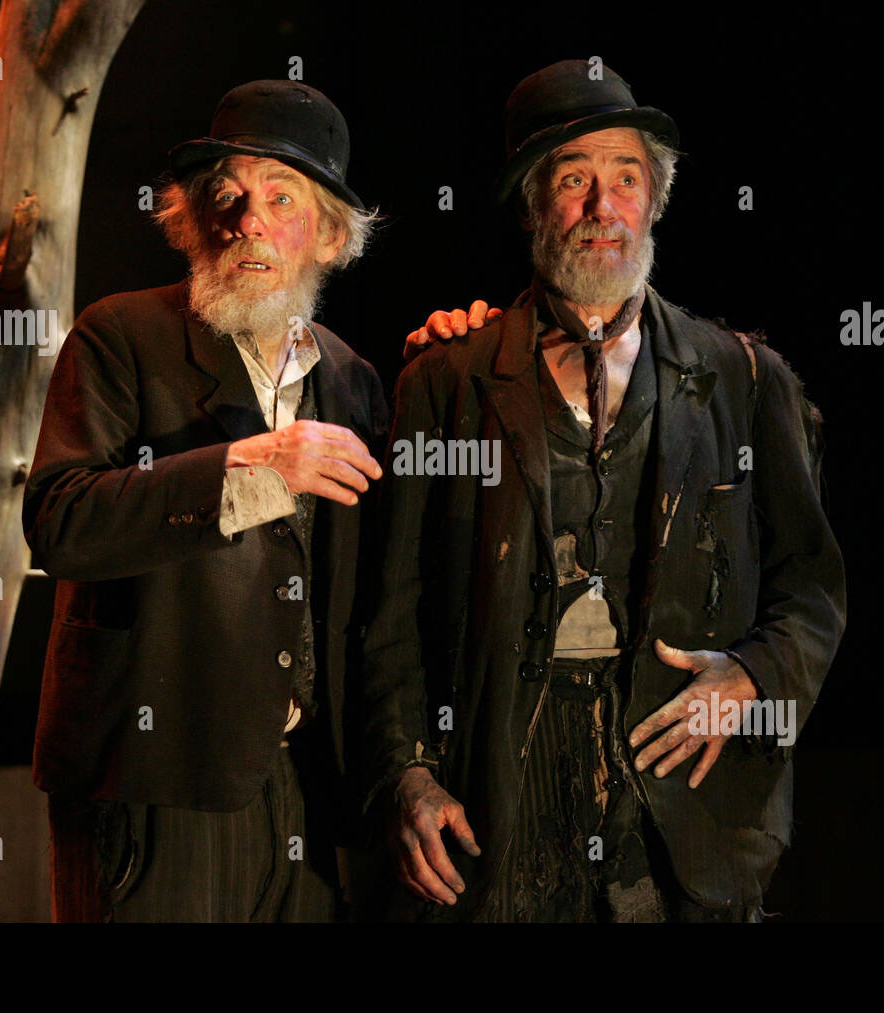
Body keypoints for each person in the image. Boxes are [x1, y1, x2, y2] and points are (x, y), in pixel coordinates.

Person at [363, 59, 847, 922]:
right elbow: (391, 614)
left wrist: (752, 675)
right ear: (529, 204)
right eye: (573, 179)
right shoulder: (448, 379)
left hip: (683, 829)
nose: (601, 207)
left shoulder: (742, 378)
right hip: (499, 822)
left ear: (654, 201)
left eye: (626, 179)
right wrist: (406, 773)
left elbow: (811, 586)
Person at [23, 80, 387, 922]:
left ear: (330, 236)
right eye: (226, 193)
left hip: (306, 790)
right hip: (157, 783)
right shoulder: (119, 334)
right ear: (190, 215)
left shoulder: (353, 378)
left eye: (281, 197)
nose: (248, 219)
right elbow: (60, 522)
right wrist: (252, 465)